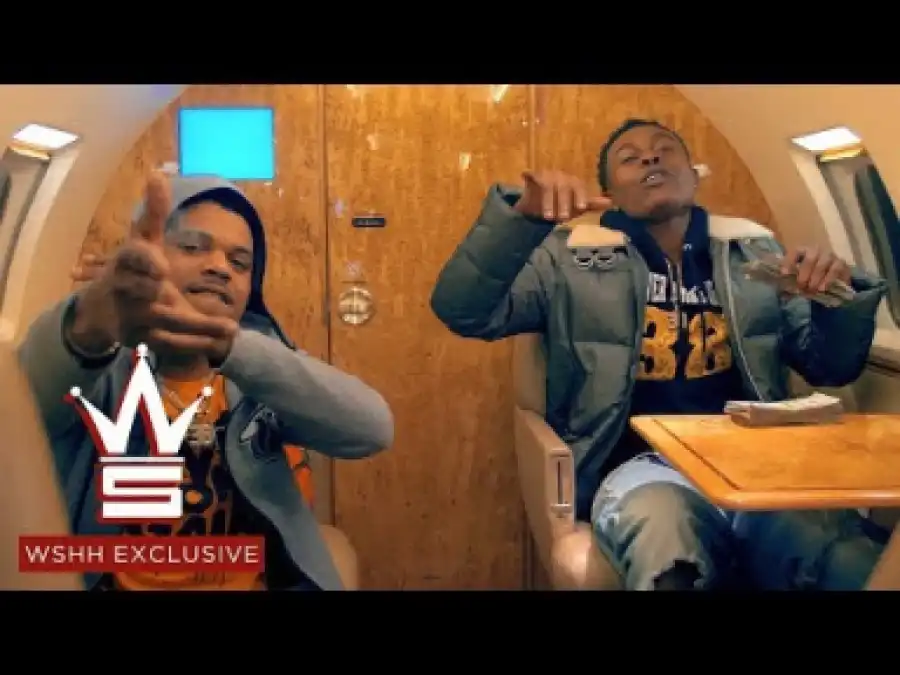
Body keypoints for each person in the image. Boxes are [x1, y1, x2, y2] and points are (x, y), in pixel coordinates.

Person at [431, 117, 890, 590]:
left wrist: (837, 297)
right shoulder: (566, 258)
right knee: (667, 545)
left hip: (755, 469)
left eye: (665, 149)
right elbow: (464, 312)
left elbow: (830, 367)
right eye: (629, 158)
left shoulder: (753, 251)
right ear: (608, 192)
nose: (650, 157)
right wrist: (521, 222)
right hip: (639, 469)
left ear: (694, 174)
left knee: (844, 554)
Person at [19, 172, 394, 591]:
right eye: (193, 247)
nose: (219, 267)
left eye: (239, 263)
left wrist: (232, 348)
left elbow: (371, 428)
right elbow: (22, 409)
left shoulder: (260, 374)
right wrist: (89, 324)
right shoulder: (99, 372)